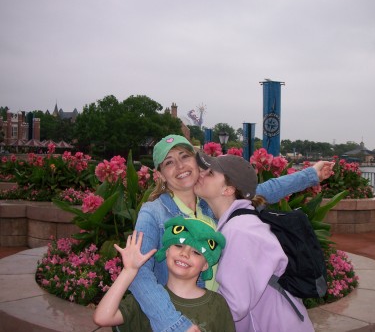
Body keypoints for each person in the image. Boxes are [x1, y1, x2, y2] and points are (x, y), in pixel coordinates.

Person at [129, 134, 333, 331]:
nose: (180, 166)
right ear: (160, 174)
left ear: (196, 162)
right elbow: (139, 272)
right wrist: (175, 324)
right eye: (169, 162)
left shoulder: (212, 206)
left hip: (217, 318)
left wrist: (310, 175)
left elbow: (255, 190)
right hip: (186, 319)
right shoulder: (154, 213)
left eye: (185, 156)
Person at [194, 152, 315, 331]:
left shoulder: (239, 230)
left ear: (228, 190)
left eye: (210, 173)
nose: (200, 174)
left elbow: (233, 306)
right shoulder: (239, 222)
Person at [93, 216, 235, 332]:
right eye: (178, 245)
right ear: (166, 251)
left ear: (205, 265)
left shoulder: (217, 305)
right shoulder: (149, 300)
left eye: (196, 252)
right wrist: (129, 271)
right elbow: (102, 317)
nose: (184, 254)